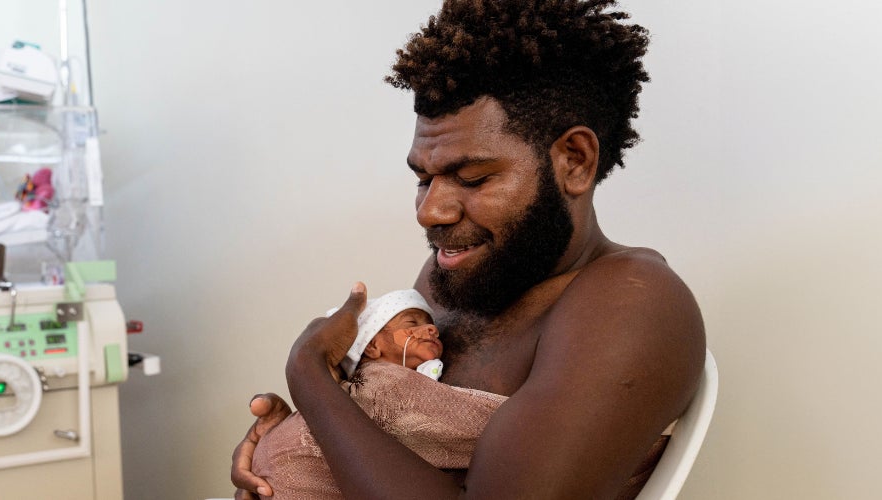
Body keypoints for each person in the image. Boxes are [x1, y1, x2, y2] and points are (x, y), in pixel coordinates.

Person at [231, 0, 706, 498]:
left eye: (471, 177)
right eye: (423, 178)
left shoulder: (632, 301)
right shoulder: (452, 276)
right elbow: (385, 429)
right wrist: (293, 452)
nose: (429, 211)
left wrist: (308, 375)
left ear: (575, 161)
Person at [249, 289, 508, 499]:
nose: (431, 330)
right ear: (372, 346)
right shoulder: (381, 382)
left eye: (430, 324)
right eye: (411, 323)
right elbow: (481, 426)